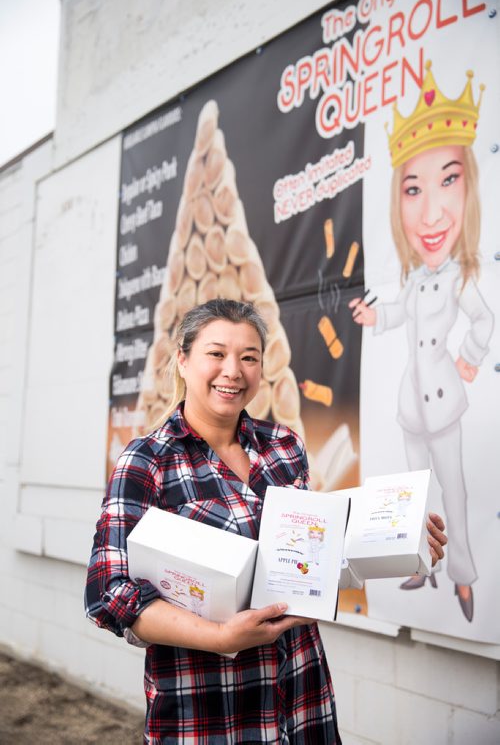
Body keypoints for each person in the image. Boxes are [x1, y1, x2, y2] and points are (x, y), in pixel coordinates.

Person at [86, 298, 447, 744]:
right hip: (208, 710)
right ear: (182, 360)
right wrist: (221, 636)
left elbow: (314, 558)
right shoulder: (147, 461)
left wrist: (404, 540)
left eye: (249, 357)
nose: (233, 370)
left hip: (301, 692)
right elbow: (110, 594)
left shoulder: (284, 446)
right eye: (216, 354)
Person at [349, 62, 494, 623]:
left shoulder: (460, 275)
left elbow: (484, 323)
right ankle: (420, 565)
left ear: (470, 188)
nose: (431, 210)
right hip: (412, 403)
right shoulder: (413, 279)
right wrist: (372, 316)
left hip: (445, 401)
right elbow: (399, 319)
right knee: (413, 495)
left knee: (453, 493)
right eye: (414, 188)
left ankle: (462, 576)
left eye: (448, 180)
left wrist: (469, 360)